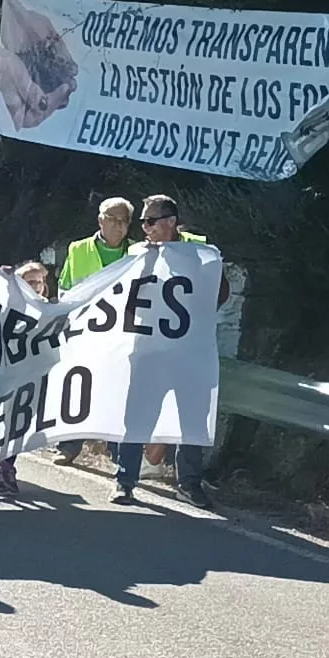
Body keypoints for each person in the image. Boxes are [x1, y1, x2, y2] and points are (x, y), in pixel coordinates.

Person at [111, 195, 227, 509]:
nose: (145, 228)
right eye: (143, 222)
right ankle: (124, 482)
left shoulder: (199, 251)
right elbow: (121, 296)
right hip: (149, 353)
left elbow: (220, 294)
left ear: (171, 222)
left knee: (192, 421)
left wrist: (207, 269)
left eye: (151, 221)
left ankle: (188, 484)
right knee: (137, 419)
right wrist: (146, 262)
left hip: (189, 354)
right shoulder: (138, 253)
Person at [54, 197, 135, 465]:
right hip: (85, 333)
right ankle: (69, 446)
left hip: (121, 334)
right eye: (113, 219)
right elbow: (66, 288)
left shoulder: (138, 253)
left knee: (118, 391)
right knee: (77, 388)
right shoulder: (78, 249)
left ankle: (116, 451)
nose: (118, 225)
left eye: (124, 221)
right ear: (100, 220)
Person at [0, 262, 54, 502]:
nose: (36, 286)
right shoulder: (4, 305)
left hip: (33, 377)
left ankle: (7, 463)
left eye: (39, 281)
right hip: (5, 375)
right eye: (30, 281)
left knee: (20, 423)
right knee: (0, 420)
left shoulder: (49, 307)